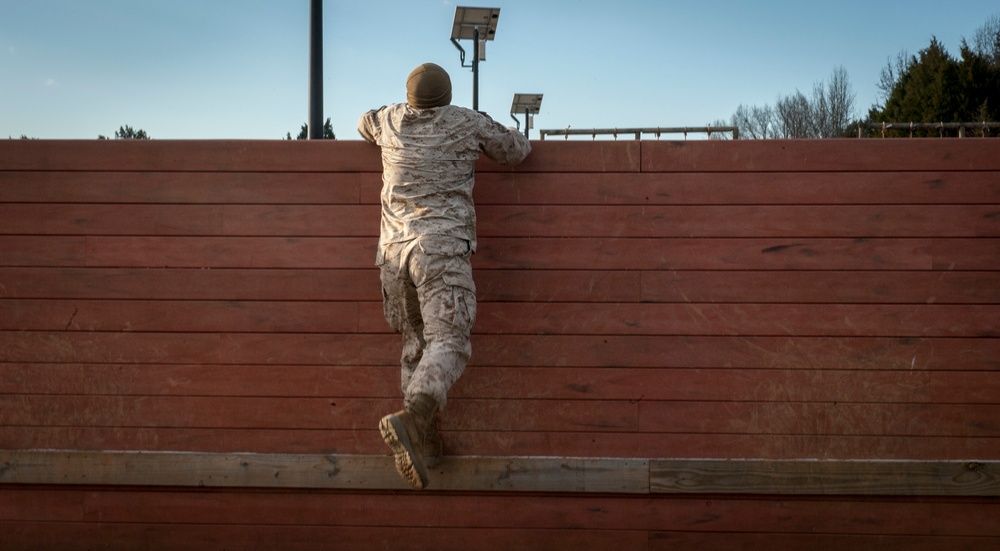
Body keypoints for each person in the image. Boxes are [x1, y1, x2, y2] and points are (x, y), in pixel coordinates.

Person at [357, 62, 531, 489]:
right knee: (449, 340)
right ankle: (416, 418)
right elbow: (515, 149)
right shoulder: (465, 122)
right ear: (448, 95)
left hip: (393, 257)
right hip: (440, 253)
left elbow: (363, 122)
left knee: (416, 344)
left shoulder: (389, 119)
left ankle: (426, 440)